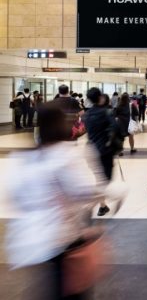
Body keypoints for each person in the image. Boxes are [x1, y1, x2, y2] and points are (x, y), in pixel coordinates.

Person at [5, 106, 106, 299]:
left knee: (53, 285)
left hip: (36, 238)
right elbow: (82, 191)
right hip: (64, 237)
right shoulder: (65, 154)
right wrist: (104, 194)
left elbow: (15, 196)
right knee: (72, 288)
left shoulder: (27, 157)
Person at [83, 87, 121, 217]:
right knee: (106, 181)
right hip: (104, 150)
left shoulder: (87, 114)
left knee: (100, 180)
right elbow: (116, 128)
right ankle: (90, 205)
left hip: (90, 150)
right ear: (100, 97)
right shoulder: (106, 112)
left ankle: (102, 206)